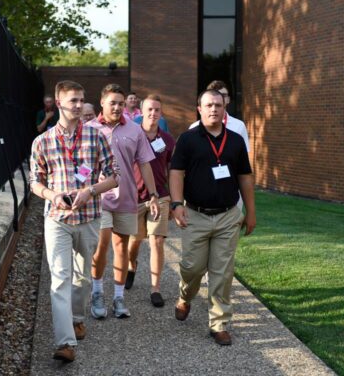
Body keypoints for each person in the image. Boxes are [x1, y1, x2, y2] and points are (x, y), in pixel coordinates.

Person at [29, 80, 118, 362]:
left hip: (89, 217)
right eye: (73, 101)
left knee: (80, 278)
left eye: (81, 100)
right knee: (59, 279)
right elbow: (35, 182)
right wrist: (52, 195)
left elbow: (114, 175)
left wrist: (90, 190)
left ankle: (77, 317)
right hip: (57, 219)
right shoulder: (42, 142)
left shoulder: (96, 137)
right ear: (59, 104)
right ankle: (65, 342)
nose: (79, 106)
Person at [169, 89, 256, 346]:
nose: (213, 110)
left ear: (224, 107)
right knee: (191, 267)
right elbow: (176, 173)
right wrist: (176, 204)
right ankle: (185, 296)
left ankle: (219, 323)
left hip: (228, 216)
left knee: (222, 271)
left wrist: (250, 211)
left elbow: (245, 178)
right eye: (208, 105)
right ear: (199, 108)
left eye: (218, 105)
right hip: (196, 214)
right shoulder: (188, 139)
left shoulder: (235, 141)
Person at [88, 84, 160, 319]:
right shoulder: (90, 129)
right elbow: (82, 165)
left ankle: (119, 297)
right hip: (99, 198)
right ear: (102, 103)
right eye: (113, 103)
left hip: (127, 197)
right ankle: (97, 292)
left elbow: (145, 163)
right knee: (102, 244)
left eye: (121, 103)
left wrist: (152, 194)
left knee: (122, 247)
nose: (118, 107)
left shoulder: (135, 130)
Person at [125, 95, 175, 307]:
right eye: (149, 109)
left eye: (157, 110)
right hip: (135, 197)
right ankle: (131, 265)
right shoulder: (132, 136)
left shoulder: (168, 140)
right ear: (141, 112)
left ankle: (155, 288)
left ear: (160, 113)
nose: (153, 113)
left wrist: (174, 200)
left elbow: (174, 171)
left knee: (157, 240)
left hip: (161, 196)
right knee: (135, 240)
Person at [189, 80, 249, 209]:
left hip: (231, 190)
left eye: (225, 95)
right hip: (203, 190)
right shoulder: (194, 128)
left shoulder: (238, 126)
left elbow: (244, 161)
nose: (223, 98)